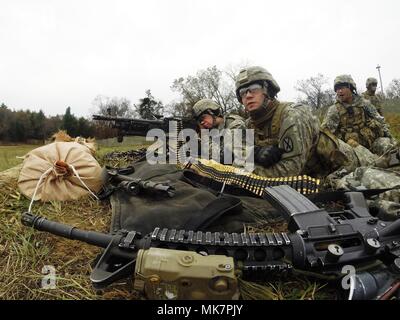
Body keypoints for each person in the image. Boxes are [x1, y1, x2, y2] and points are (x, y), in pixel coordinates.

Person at [321, 75, 396, 156]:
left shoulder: (364, 103)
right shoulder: (334, 110)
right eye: (337, 89)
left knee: (389, 148)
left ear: (351, 88)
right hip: (351, 150)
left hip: (371, 142)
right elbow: (325, 133)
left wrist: (391, 138)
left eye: (342, 88)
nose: (339, 91)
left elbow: (380, 120)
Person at [192, 99, 246, 165]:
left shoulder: (235, 124)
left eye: (203, 118)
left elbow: (225, 157)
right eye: (199, 121)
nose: (202, 122)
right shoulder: (210, 130)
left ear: (212, 112)